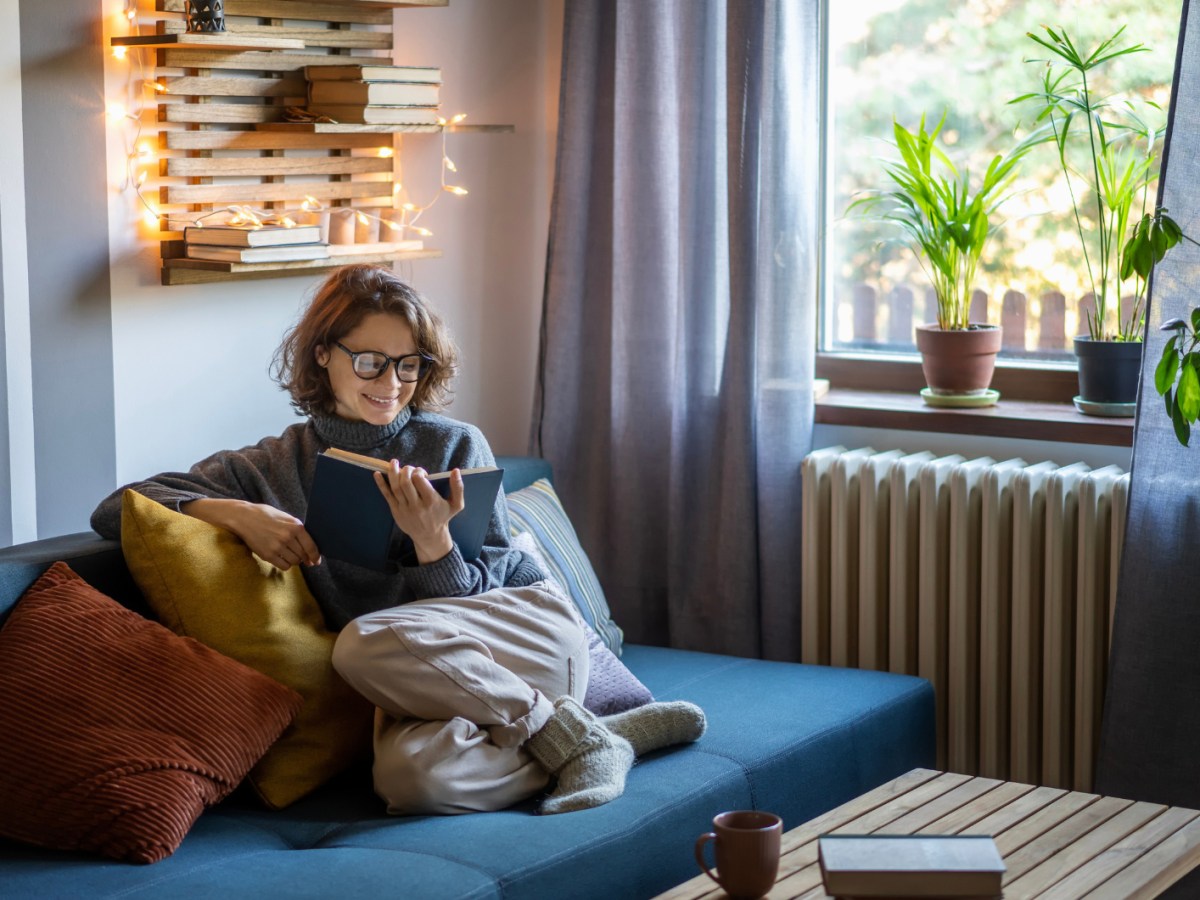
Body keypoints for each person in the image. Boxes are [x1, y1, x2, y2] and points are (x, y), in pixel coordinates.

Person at [91, 264, 704, 816]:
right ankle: (599, 739)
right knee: (411, 782)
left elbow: (502, 582)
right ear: (324, 355)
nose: (392, 382)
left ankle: (573, 734)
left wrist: (435, 547)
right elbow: (118, 508)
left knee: (359, 643)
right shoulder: (273, 467)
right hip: (426, 685)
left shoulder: (455, 445)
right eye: (370, 362)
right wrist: (231, 512)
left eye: (409, 364)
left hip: (526, 641)